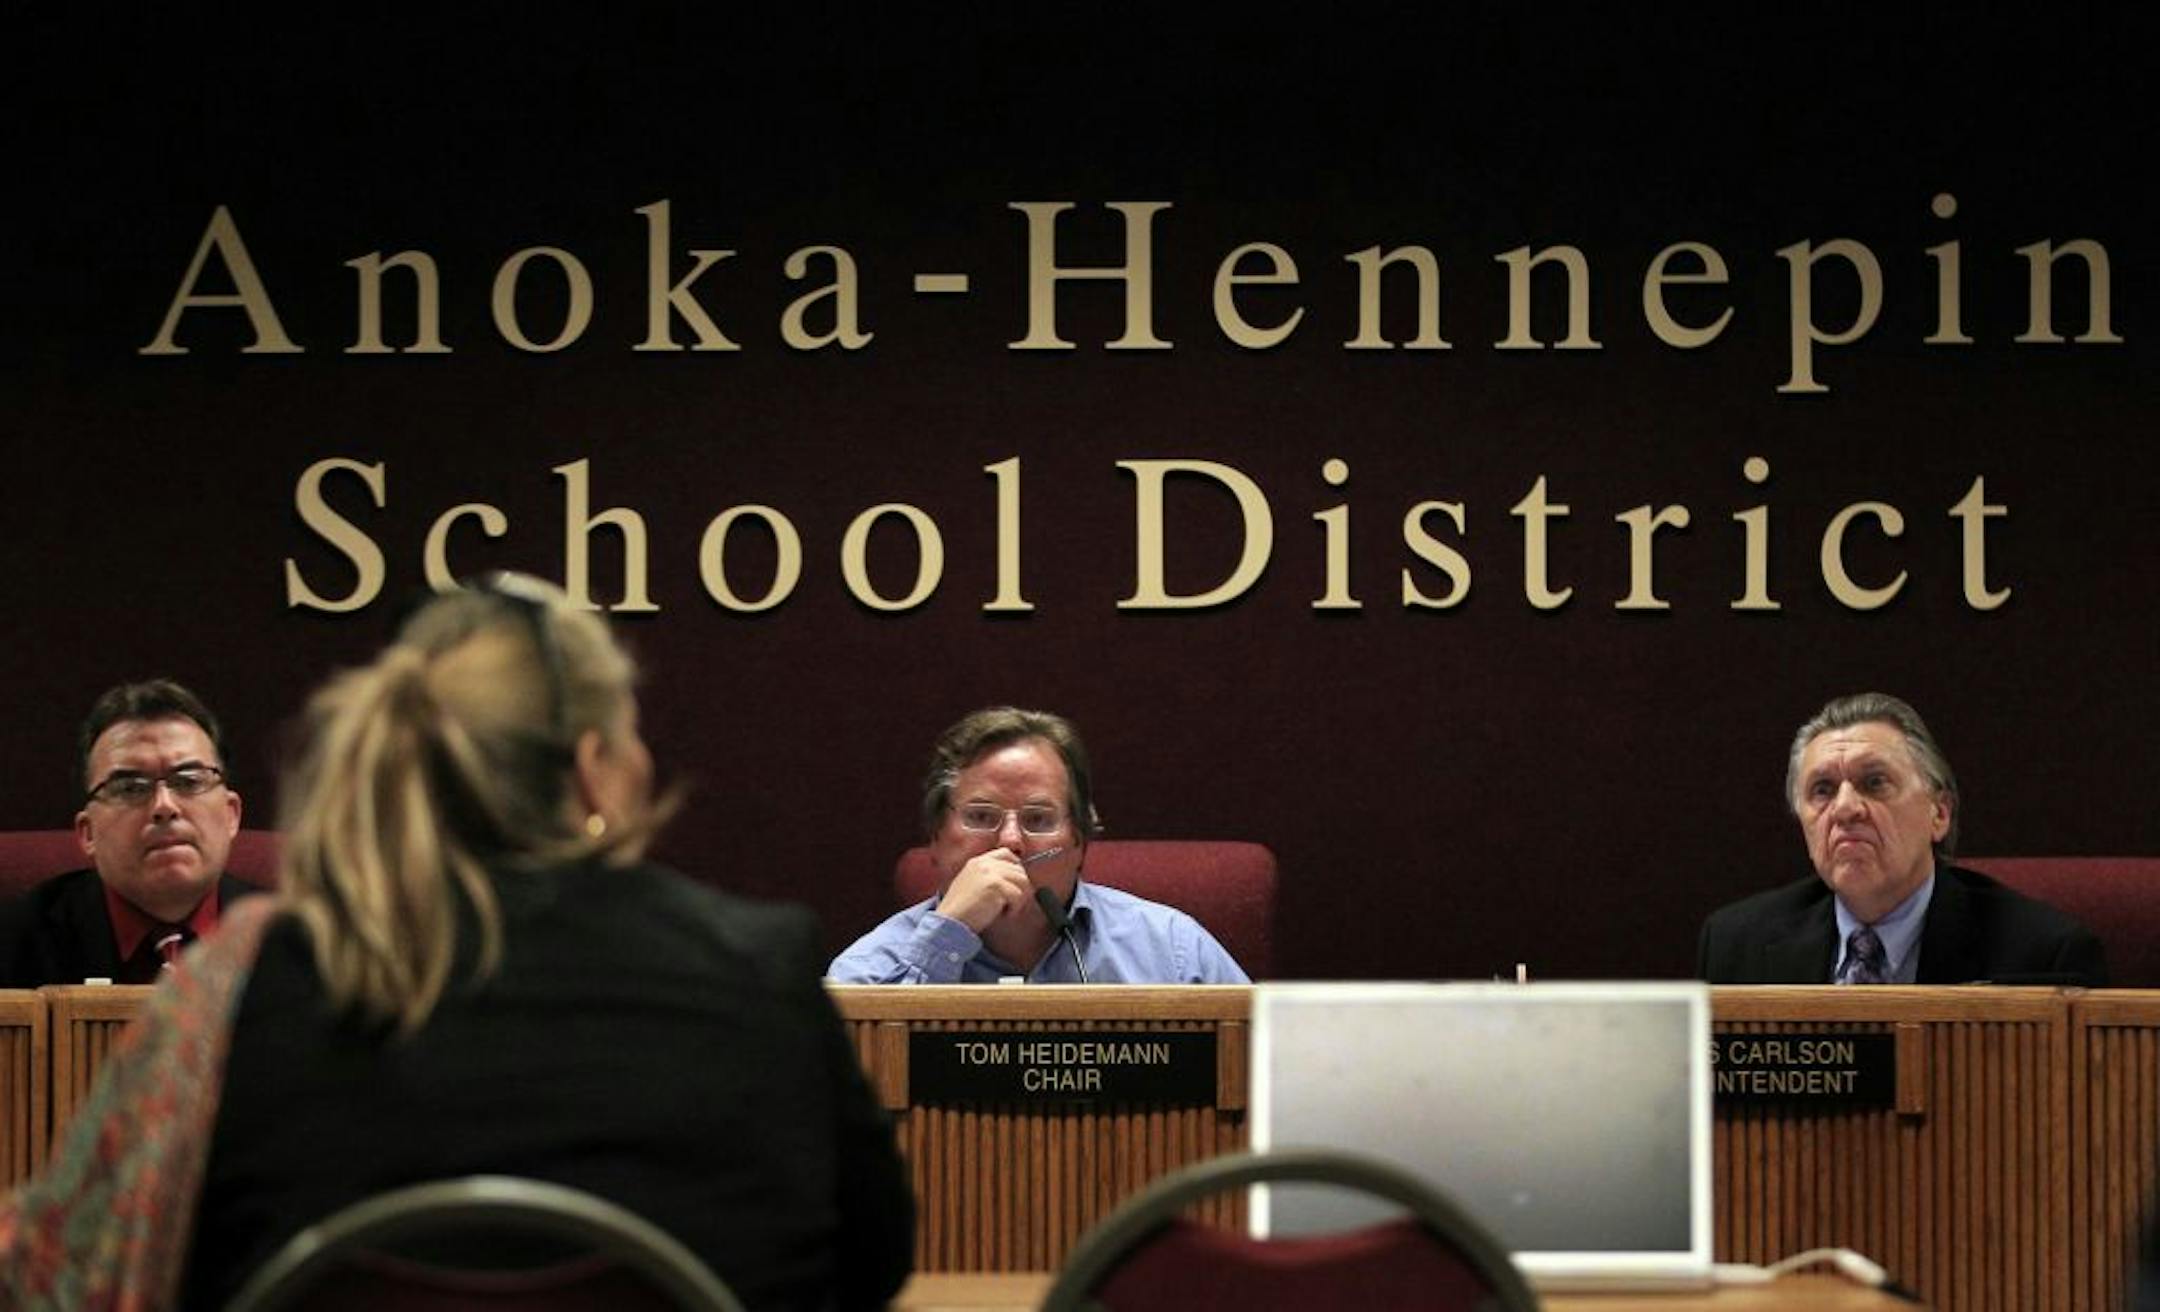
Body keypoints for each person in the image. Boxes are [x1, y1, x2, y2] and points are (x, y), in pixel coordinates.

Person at [0, 574, 913, 1311]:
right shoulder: (762, 964)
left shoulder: (234, 987)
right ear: (594, 766)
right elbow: (872, 1262)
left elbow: (59, 1274)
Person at [1698, 691, 2107, 986]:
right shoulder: (1737, 947)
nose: (1844, 808)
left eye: (1874, 783)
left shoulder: (2042, 956)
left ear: (1939, 813)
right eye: (1822, 790)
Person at [828, 706, 1249, 984]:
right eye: (980, 816)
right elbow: (848, 1101)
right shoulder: (867, 972)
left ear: (1080, 840)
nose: (1010, 841)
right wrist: (947, 937)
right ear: (935, 837)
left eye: (1038, 820)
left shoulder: (1174, 953)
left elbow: (1269, 1080)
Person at [0, 679, 258, 987]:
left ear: (231, 814)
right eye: (130, 788)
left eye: (188, 781)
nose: (164, 806)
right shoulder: (13, 945)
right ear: (88, 833)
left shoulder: (304, 944)